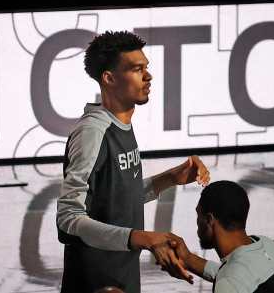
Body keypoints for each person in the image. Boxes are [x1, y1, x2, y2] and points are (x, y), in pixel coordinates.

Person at [56, 31, 211, 293]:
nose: (148, 76)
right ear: (109, 78)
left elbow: (114, 199)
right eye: (137, 69)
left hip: (123, 272)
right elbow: (68, 218)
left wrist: (171, 178)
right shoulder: (92, 133)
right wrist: (144, 238)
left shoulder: (122, 125)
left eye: (146, 68)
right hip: (95, 281)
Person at [167, 181, 274, 293]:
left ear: (209, 219)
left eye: (198, 214)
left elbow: (232, 278)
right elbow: (238, 275)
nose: (197, 221)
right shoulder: (269, 247)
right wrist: (187, 258)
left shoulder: (229, 283)